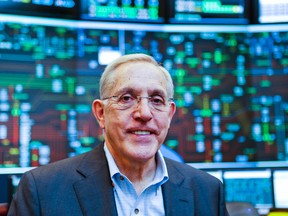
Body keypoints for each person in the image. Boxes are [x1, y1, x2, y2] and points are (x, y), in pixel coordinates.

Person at [8, 53, 229, 216]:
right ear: (101, 113)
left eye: (156, 100)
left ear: (169, 114)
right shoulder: (42, 190)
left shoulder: (207, 191)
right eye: (126, 98)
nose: (144, 113)